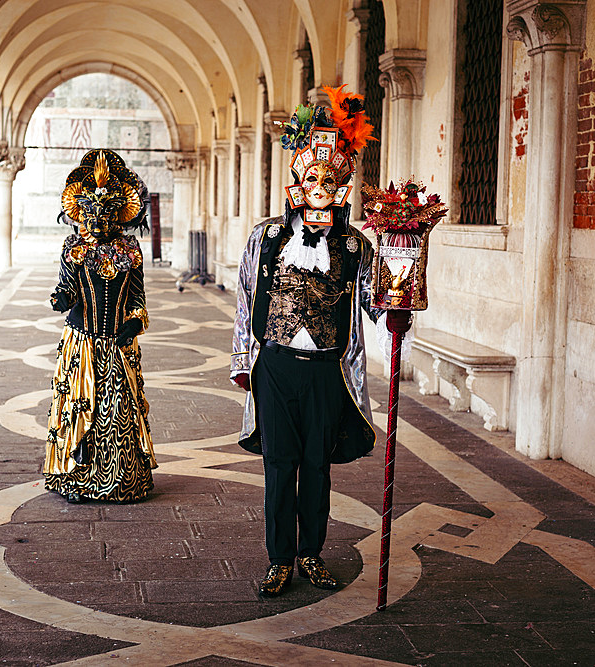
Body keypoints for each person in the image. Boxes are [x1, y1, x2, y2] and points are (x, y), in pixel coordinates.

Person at [231, 86, 405, 597]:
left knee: (317, 469)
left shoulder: (356, 246)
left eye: (331, 180)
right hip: (277, 368)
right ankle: (280, 558)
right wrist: (243, 362)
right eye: (312, 179)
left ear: (344, 188)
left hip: (327, 371)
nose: (321, 187)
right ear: (296, 186)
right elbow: (244, 301)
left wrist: (403, 280)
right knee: (280, 465)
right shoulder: (264, 240)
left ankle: (311, 554)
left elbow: (380, 302)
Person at [43, 149, 156, 503]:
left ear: (119, 214)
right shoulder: (73, 248)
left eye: (106, 212)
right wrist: (60, 300)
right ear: (81, 212)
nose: (99, 220)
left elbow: (138, 298)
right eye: (92, 212)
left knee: (118, 412)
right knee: (80, 410)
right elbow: (66, 288)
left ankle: (122, 482)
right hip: (83, 344)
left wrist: (134, 324)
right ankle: (75, 480)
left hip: (118, 346)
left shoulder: (131, 250)